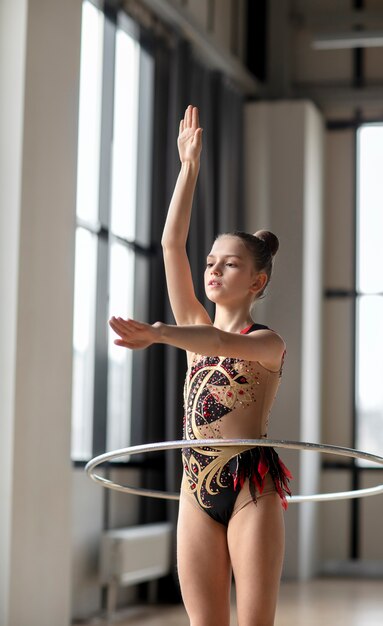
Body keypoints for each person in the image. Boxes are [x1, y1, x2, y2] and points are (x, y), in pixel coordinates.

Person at [109, 105, 292, 626]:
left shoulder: (266, 342)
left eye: (230, 264)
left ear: (257, 282)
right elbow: (172, 245)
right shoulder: (191, 324)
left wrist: (160, 333)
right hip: (194, 488)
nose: (214, 269)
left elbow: (215, 338)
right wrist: (188, 169)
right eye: (211, 262)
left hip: (249, 487)